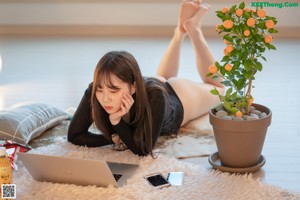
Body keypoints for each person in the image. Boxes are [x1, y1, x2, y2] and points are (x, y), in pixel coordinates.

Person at [67, 0, 224, 156]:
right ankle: (179, 32)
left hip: (179, 96)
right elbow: (74, 135)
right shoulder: (96, 90)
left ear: (133, 87)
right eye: (100, 89)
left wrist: (117, 122)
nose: (105, 98)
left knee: (220, 90)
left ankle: (194, 30)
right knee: (160, 78)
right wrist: (111, 139)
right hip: (154, 84)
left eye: (114, 90)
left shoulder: (155, 97)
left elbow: (143, 149)